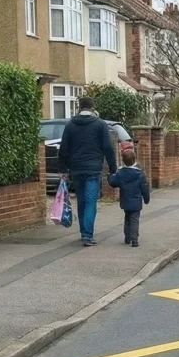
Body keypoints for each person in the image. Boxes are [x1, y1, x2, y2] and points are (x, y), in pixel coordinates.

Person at [58, 97, 116, 246]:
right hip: (93, 168)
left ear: (80, 107)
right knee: (91, 201)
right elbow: (108, 148)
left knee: (81, 200)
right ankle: (87, 235)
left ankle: (84, 231)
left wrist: (62, 169)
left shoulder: (70, 125)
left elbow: (63, 148)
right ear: (92, 108)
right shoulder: (100, 125)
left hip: (76, 168)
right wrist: (113, 168)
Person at [109, 148, 151, 247]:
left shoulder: (120, 173)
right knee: (134, 220)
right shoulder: (140, 174)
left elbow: (113, 183)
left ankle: (127, 237)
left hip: (125, 200)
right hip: (136, 201)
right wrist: (146, 198)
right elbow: (144, 187)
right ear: (134, 159)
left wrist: (110, 175)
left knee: (127, 218)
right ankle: (134, 240)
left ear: (123, 160)